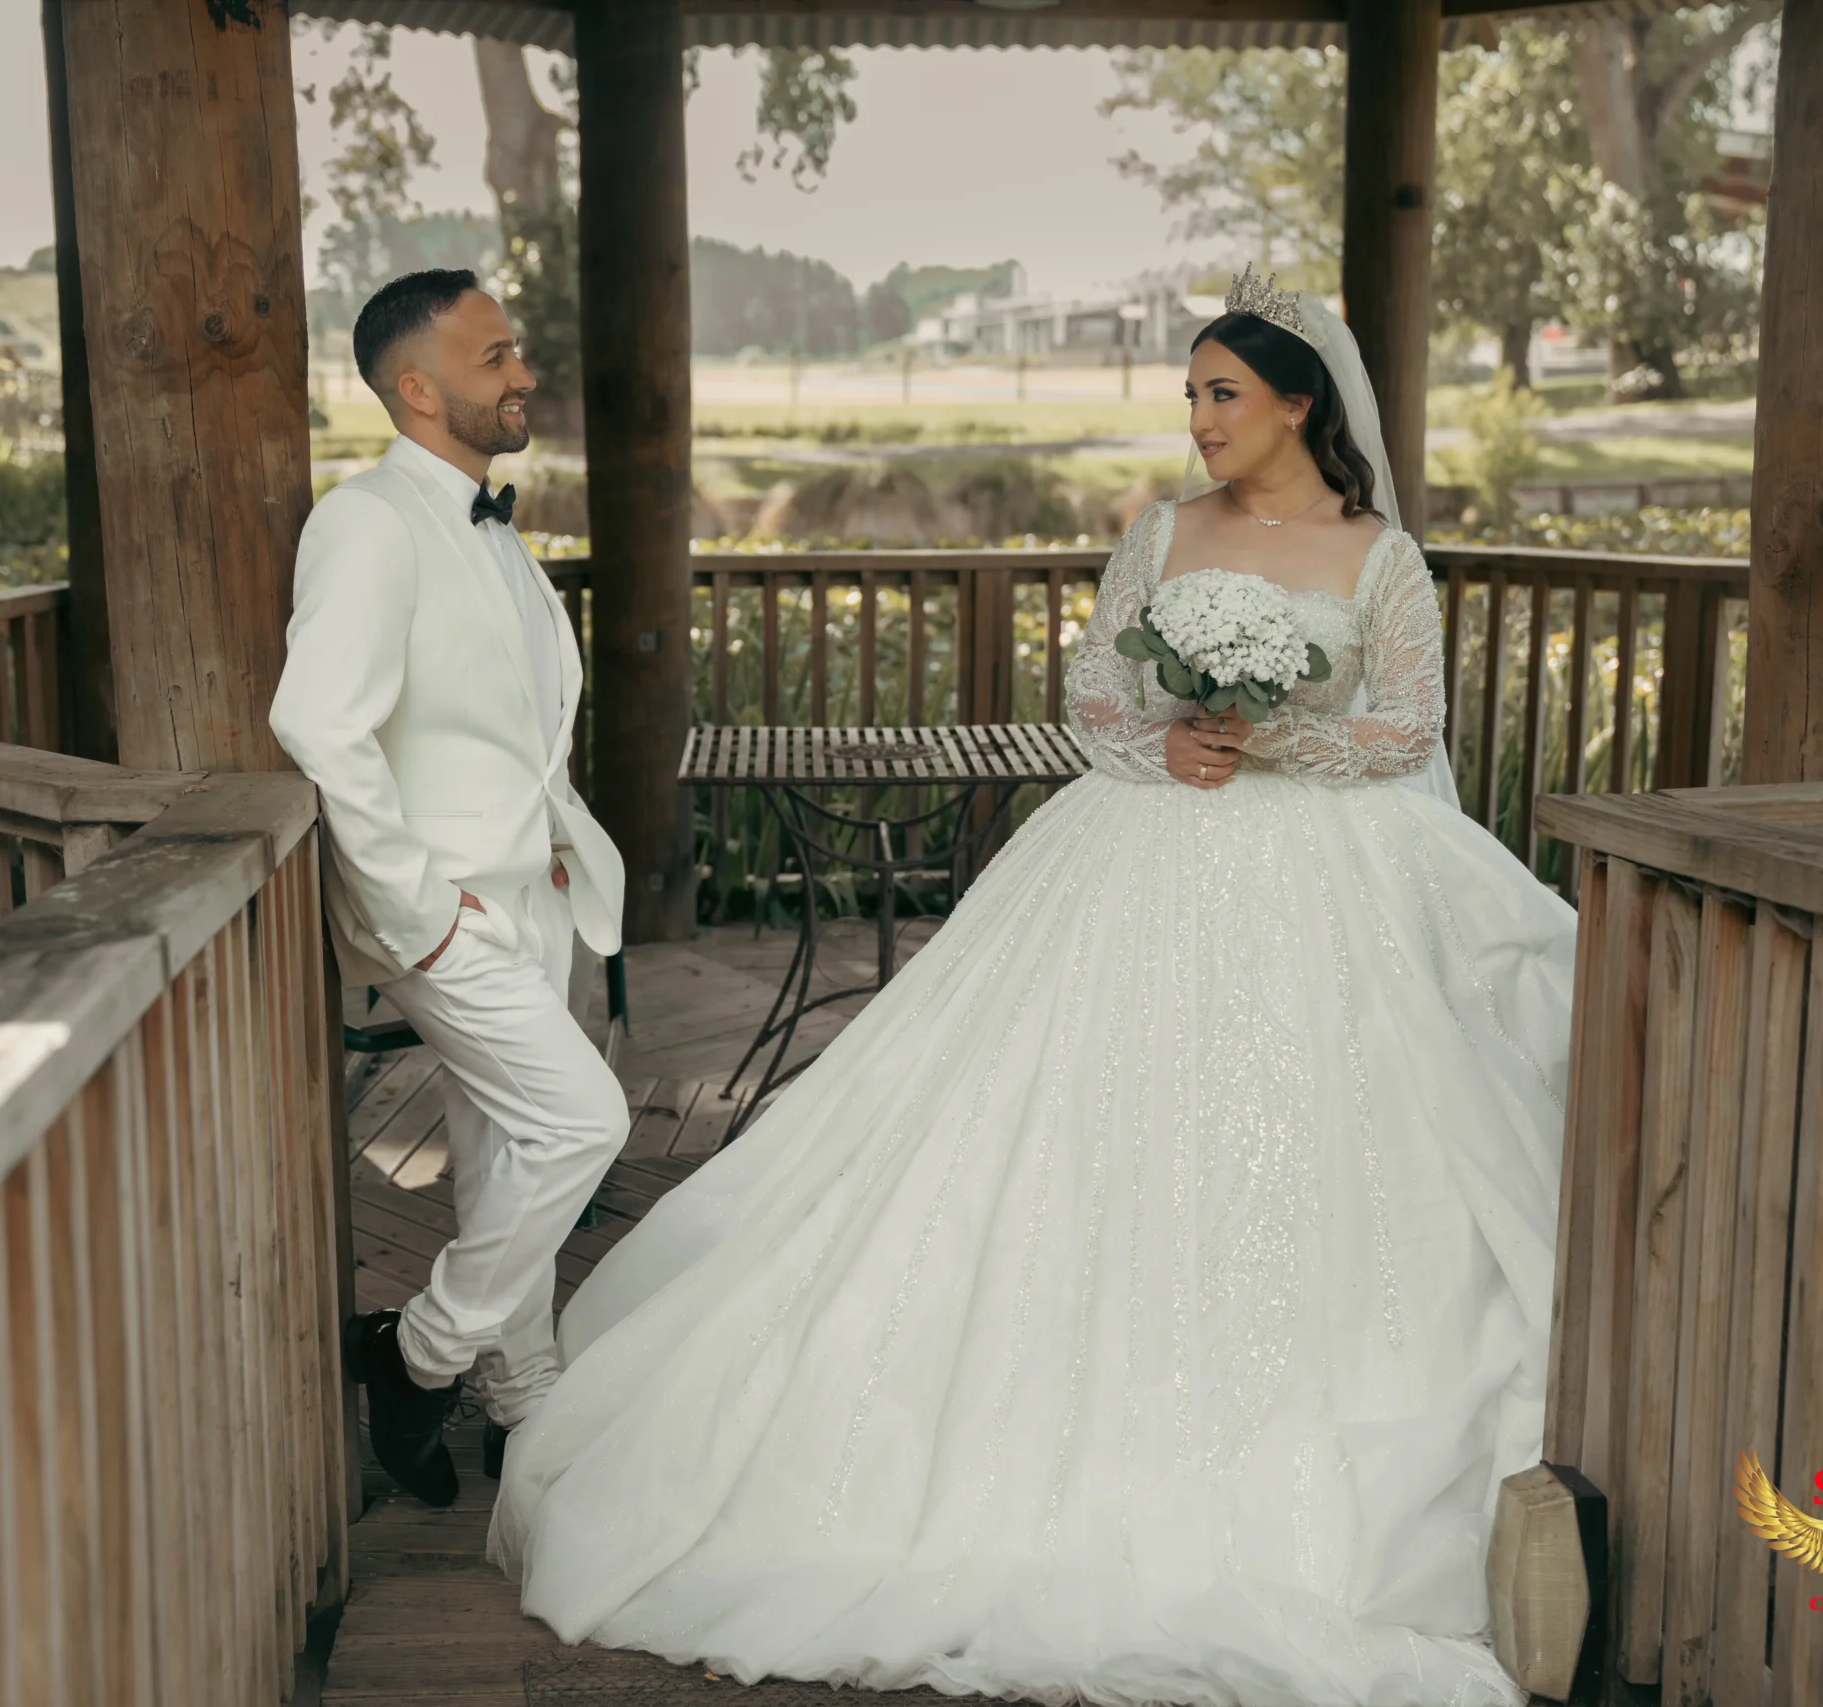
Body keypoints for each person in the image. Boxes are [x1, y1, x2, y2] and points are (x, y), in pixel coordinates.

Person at [488, 270, 1579, 1707]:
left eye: (1222, 394)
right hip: (1140, 852)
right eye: (1190, 395)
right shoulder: (1162, 534)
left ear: (1299, 401)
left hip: (1327, 876)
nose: (1198, 421)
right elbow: (1096, 698)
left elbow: (1407, 727)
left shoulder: (1380, 558)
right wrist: (1169, 741)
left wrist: (1274, 741)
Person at [270, 270, 628, 1510]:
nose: (523, 373)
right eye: (495, 358)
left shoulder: (489, 524)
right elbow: (319, 722)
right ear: (418, 390)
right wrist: (416, 907)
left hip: (532, 889)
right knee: (584, 1125)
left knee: (507, 1155)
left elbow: (507, 723)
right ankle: (416, 1360)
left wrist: (549, 842)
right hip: (447, 913)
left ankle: (521, 1398)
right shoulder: (367, 523)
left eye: (515, 350)